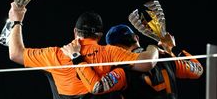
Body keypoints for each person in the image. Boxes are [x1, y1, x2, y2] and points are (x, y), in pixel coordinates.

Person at [7, 1, 159, 98]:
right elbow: (148, 63)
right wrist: (154, 46)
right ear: (99, 35)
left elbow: (15, 53)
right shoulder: (111, 52)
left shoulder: (54, 54)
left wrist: (16, 21)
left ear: (75, 31)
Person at [62, 24, 203, 99]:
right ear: (136, 37)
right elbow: (198, 70)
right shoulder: (166, 58)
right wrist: (172, 49)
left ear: (115, 49)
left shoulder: (124, 70)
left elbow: (97, 87)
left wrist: (76, 57)